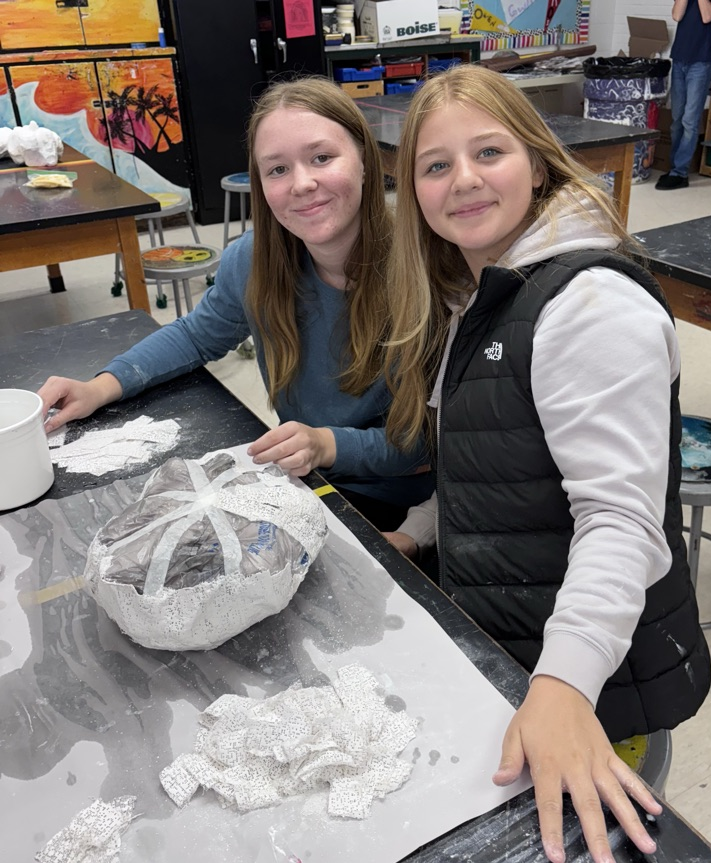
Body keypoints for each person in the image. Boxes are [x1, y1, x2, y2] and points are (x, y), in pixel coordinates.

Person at [383, 65, 711, 863]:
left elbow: (621, 522)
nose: (462, 179)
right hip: (518, 642)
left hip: (598, 681)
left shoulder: (588, 306)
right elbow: (498, 456)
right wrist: (420, 530)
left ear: (538, 160)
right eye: (435, 164)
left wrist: (563, 683)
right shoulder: (481, 290)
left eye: (488, 151)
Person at [38, 77, 431, 530]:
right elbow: (194, 336)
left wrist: (326, 444)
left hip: (394, 502)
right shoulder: (255, 260)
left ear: (364, 159)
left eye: (322, 158)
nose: (302, 183)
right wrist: (98, 387)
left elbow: (428, 441)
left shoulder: (423, 272)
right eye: (277, 169)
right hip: (305, 482)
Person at [656, 0, 711, 190]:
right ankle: (673, 168)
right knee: (677, 119)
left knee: (690, 120)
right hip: (679, 58)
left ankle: (680, 172)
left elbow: (707, 16)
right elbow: (677, 15)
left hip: (701, 62)